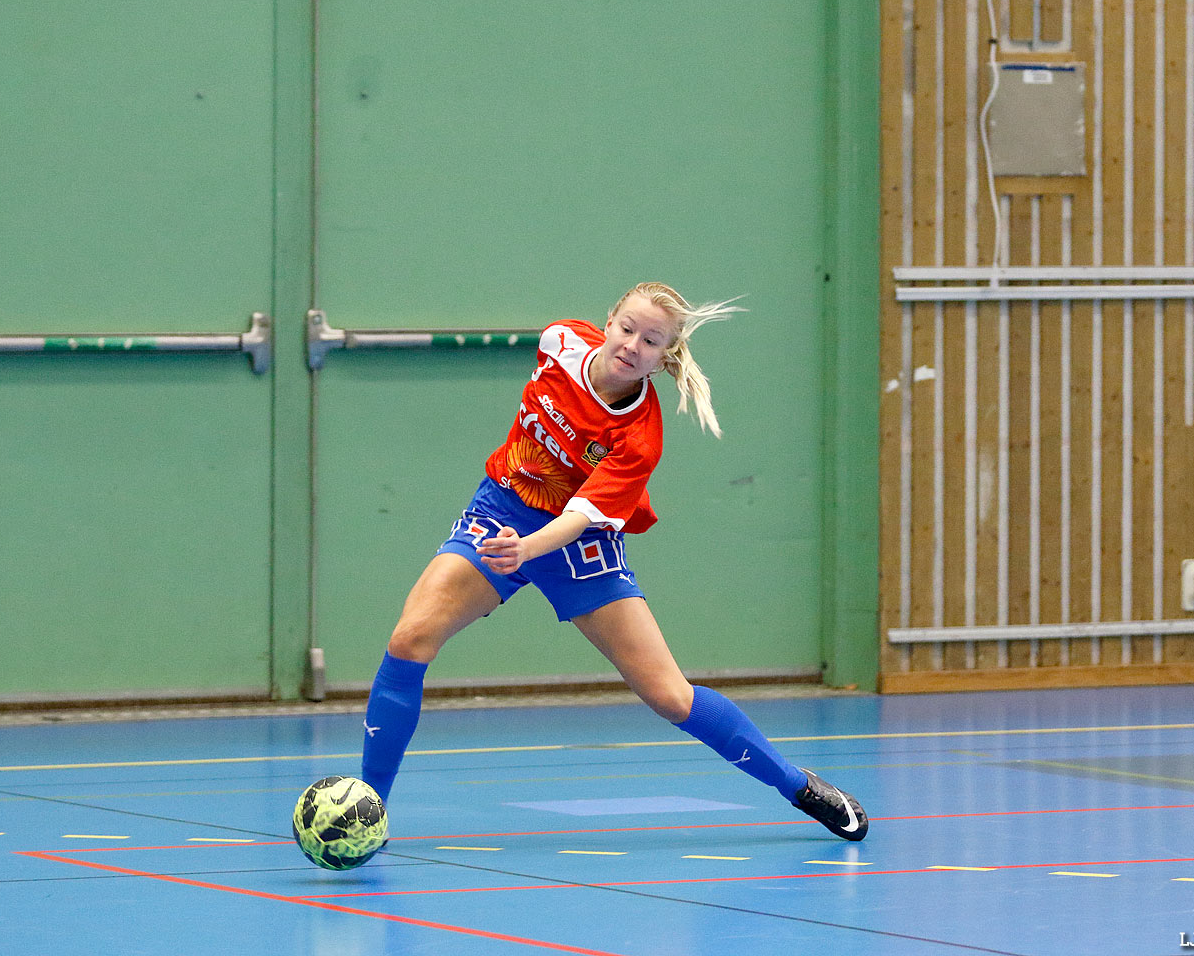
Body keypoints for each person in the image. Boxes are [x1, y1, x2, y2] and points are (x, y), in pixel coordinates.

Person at [358, 282, 868, 841]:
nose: (631, 345)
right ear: (608, 321)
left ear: (664, 356)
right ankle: (371, 811)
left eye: (651, 341)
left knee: (671, 697)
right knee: (409, 641)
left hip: (578, 544)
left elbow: (580, 517)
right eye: (627, 328)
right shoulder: (559, 342)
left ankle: (795, 784)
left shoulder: (640, 434)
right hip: (501, 510)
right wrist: (515, 537)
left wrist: (527, 550)